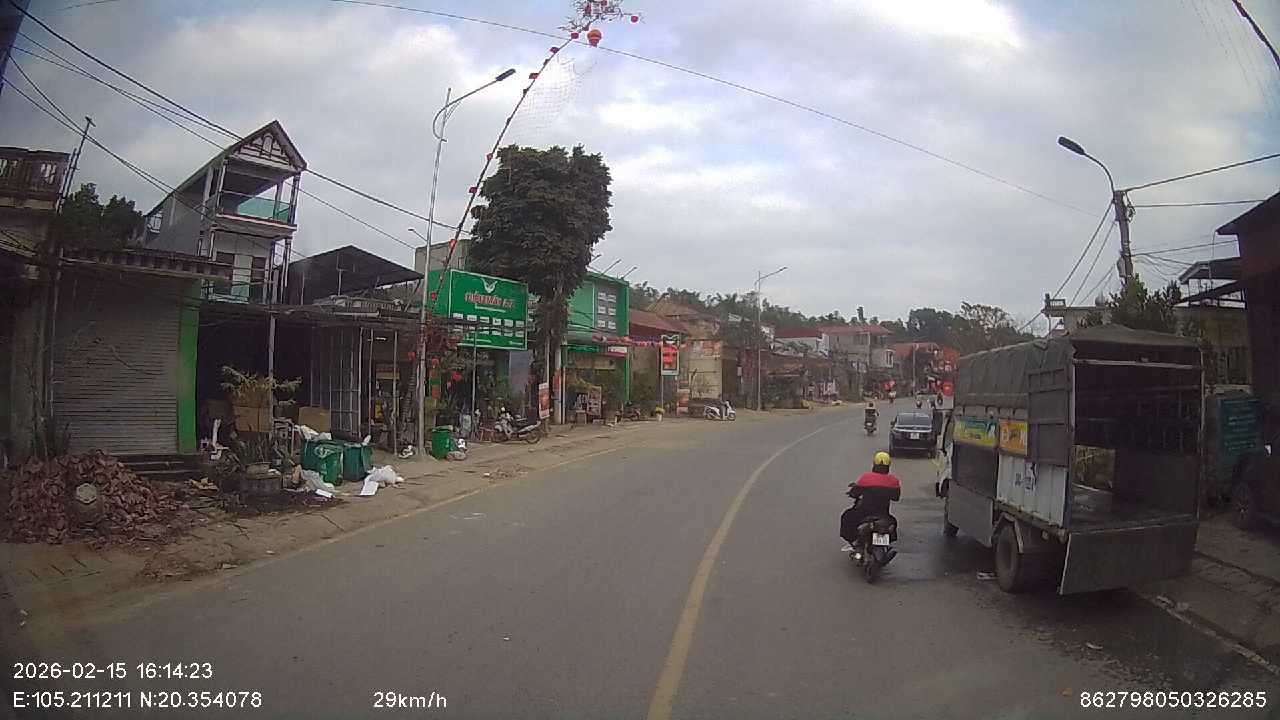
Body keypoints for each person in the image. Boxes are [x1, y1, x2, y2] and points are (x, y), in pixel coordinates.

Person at [841, 452, 902, 545]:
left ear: (874, 465)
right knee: (892, 522)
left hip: (864, 513)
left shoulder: (865, 478)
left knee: (847, 516)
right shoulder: (894, 481)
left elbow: (854, 493)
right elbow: (896, 498)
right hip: (883, 514)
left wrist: (853, 492)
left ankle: (854, 541)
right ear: (888, 466)